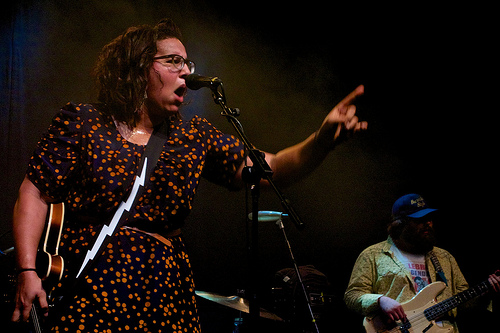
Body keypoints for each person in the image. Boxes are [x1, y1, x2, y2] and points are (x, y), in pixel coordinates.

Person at [11, 18, 367, 332]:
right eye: (173, 61)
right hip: (91, 285)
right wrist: (28, 271)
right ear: (137, 68)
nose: (186, 71)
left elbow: (271, 169)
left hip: (164, 291)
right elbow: (34, 192)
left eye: (187, 62)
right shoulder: (85, 122)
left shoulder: (193, 135)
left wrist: (320, 141)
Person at [344, 193, 500, 332]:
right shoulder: (372, 255)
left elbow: (463, 304)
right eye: (419, 219)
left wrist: (485, 294)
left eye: (429, 219)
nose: (428, 223)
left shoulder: (444, 257)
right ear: (400, 224)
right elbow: (352, 295)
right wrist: (380, 300)